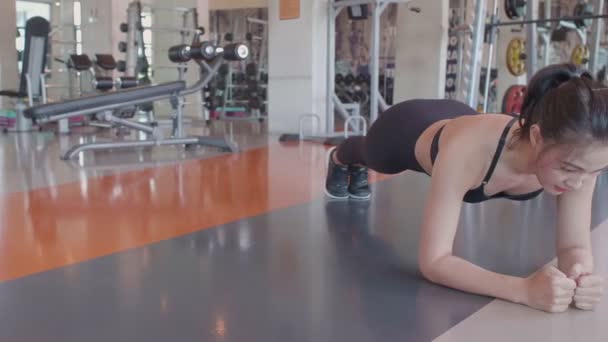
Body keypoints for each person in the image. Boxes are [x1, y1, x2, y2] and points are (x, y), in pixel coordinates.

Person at [324, 63, 607, 313]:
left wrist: (579, 274)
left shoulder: (581, 157)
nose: (580, 183)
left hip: (461, 120)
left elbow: (573, 245)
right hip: (405, 129)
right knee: (370, 155)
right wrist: (523, 290)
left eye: (594, 172)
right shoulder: (467, 152)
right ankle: (339, 157)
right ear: (536, 136)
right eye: (570, 170)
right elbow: (434, 261)